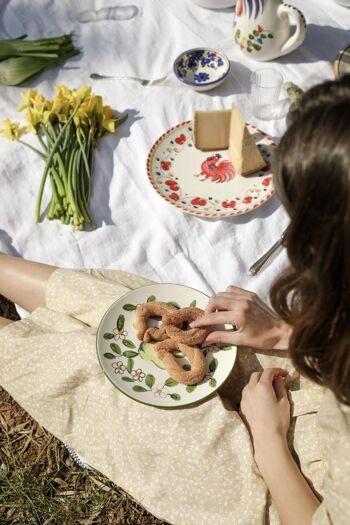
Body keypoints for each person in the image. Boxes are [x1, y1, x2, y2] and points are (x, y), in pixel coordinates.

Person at [0, 76, 349, 525]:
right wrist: (287, 333)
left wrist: (270, 441)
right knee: (127, 311)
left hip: (298, 495)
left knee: (121, 396)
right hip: (319, 370)